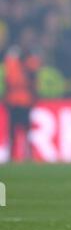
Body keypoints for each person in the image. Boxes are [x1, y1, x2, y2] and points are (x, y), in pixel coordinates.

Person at [4, 27, 41, 160]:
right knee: (13, 131)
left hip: (26, 100)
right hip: (14, 99)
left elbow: (34, 77)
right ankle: (11, 156)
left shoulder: (31, 55)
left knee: (27, 130)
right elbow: (10, 77)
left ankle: (28, 155)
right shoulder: (14, 54)